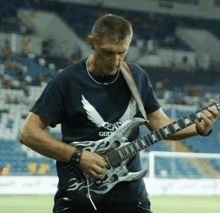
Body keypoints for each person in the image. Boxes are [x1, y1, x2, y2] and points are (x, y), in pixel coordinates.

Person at [19, 14, 219, 213]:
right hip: (79, 197)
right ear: (91, 42)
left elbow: (159, 124)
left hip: (130, 198)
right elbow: (29, 133)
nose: (115, 61)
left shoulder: (136, 76)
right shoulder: (66, 81)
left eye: (122, 53)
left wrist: (198, 128)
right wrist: (79, 156)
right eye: (108, 53)